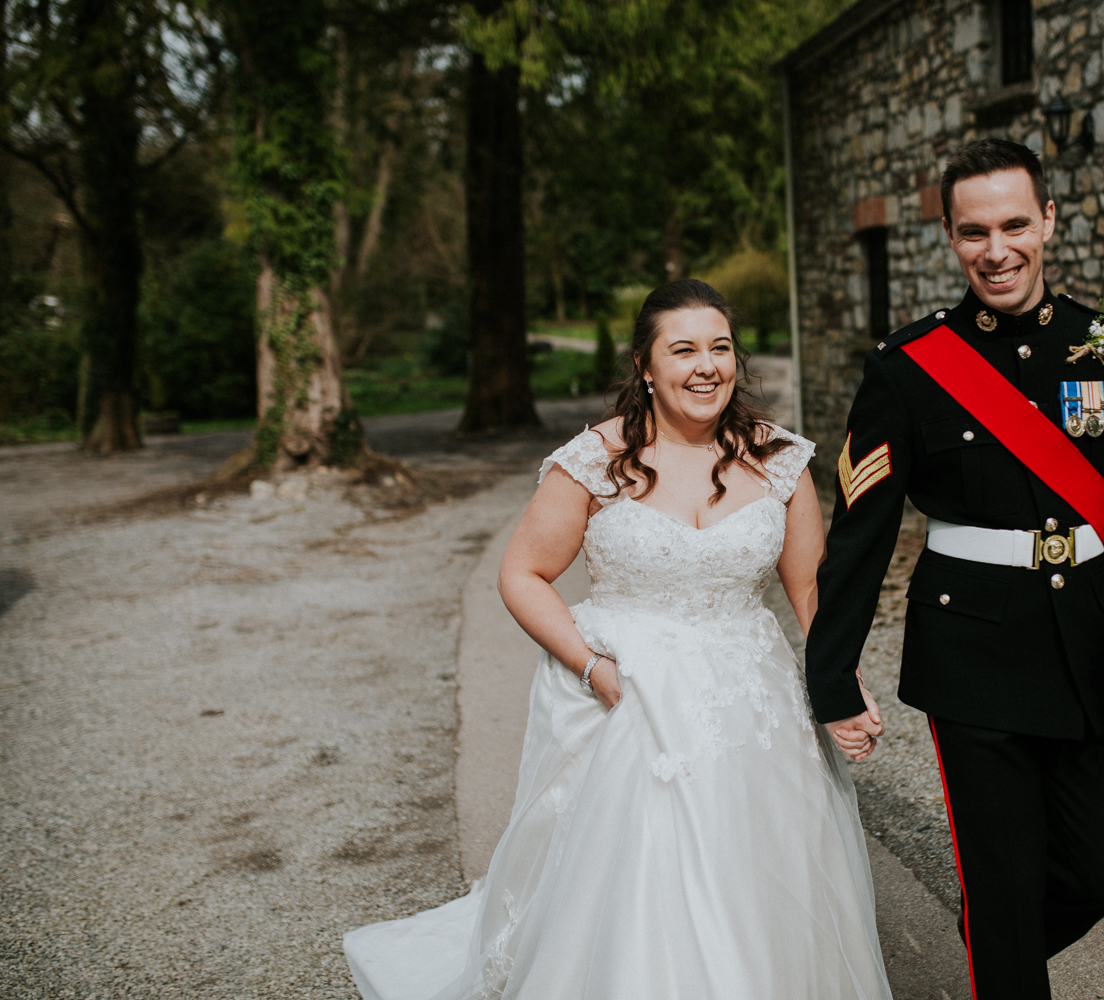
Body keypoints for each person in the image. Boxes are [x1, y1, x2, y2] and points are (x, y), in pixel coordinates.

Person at [343, 279, 892, 1000]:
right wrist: (588, 665)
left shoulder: (780, 460)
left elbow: (812, 591)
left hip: (752, 700)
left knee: (758, 874)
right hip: (630, 697)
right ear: (645, 366)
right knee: (641, 882)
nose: (706, 367)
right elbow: (522, 574)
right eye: (683, 350)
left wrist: (840, 683)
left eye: (720, 348)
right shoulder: (597, 459)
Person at [803, 139, 1104, 999]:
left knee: (1103, 872)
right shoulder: (909, 368)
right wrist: (831, 677)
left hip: (1093, 645)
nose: (997, 250)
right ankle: (1004, 947)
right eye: (974, 231)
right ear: (950, 237)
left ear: (1049, 220)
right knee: (1004, 888)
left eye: (1015, 224)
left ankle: (999, 945)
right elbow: (860, 534)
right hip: (973, 655)